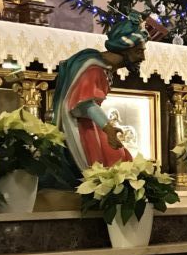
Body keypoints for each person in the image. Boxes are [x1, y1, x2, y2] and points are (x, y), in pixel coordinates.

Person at [51, 12, 148, 175]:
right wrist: (108, 129)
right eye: (139, 51)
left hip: (92, 125)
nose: (143, 57)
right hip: (82, 128)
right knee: (113, 165)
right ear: (124, 50)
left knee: (120, 162)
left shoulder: (104, 67)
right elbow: (84, 104)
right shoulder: (94, 69)